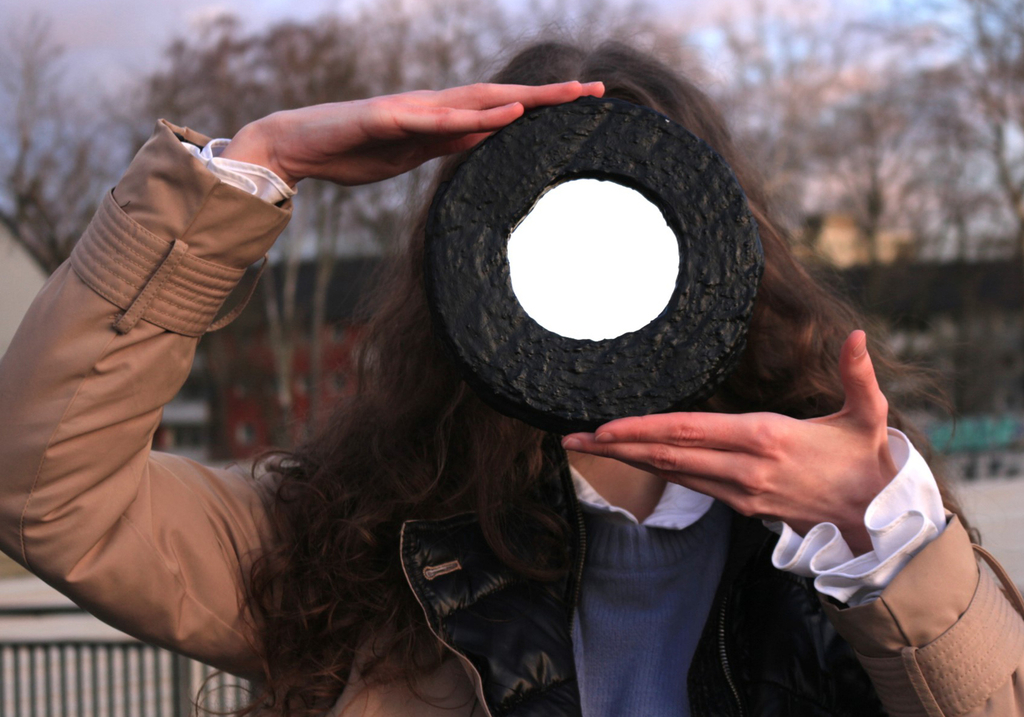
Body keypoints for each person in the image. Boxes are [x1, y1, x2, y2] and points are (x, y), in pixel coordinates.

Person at [1, 38, 1023, 717]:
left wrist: (882, 544)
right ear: (473, 269)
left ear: (716, 253)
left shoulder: (850, 540)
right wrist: (250, 170)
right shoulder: (346, 549)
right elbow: (46, 488)